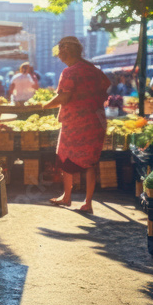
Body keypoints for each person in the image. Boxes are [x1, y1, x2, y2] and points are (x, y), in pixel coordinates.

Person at [42, 36, 111, 214]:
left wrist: (44, 105)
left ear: (67, 52)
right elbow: (106, 86)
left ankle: (67, 197)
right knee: (90, 162)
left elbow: (64, 97)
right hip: (95, 121)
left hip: (75, 122)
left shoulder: (70, 72)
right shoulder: (94, 70)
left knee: (66, 157)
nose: (58, 57)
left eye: (60, 53)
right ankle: (88, 203)